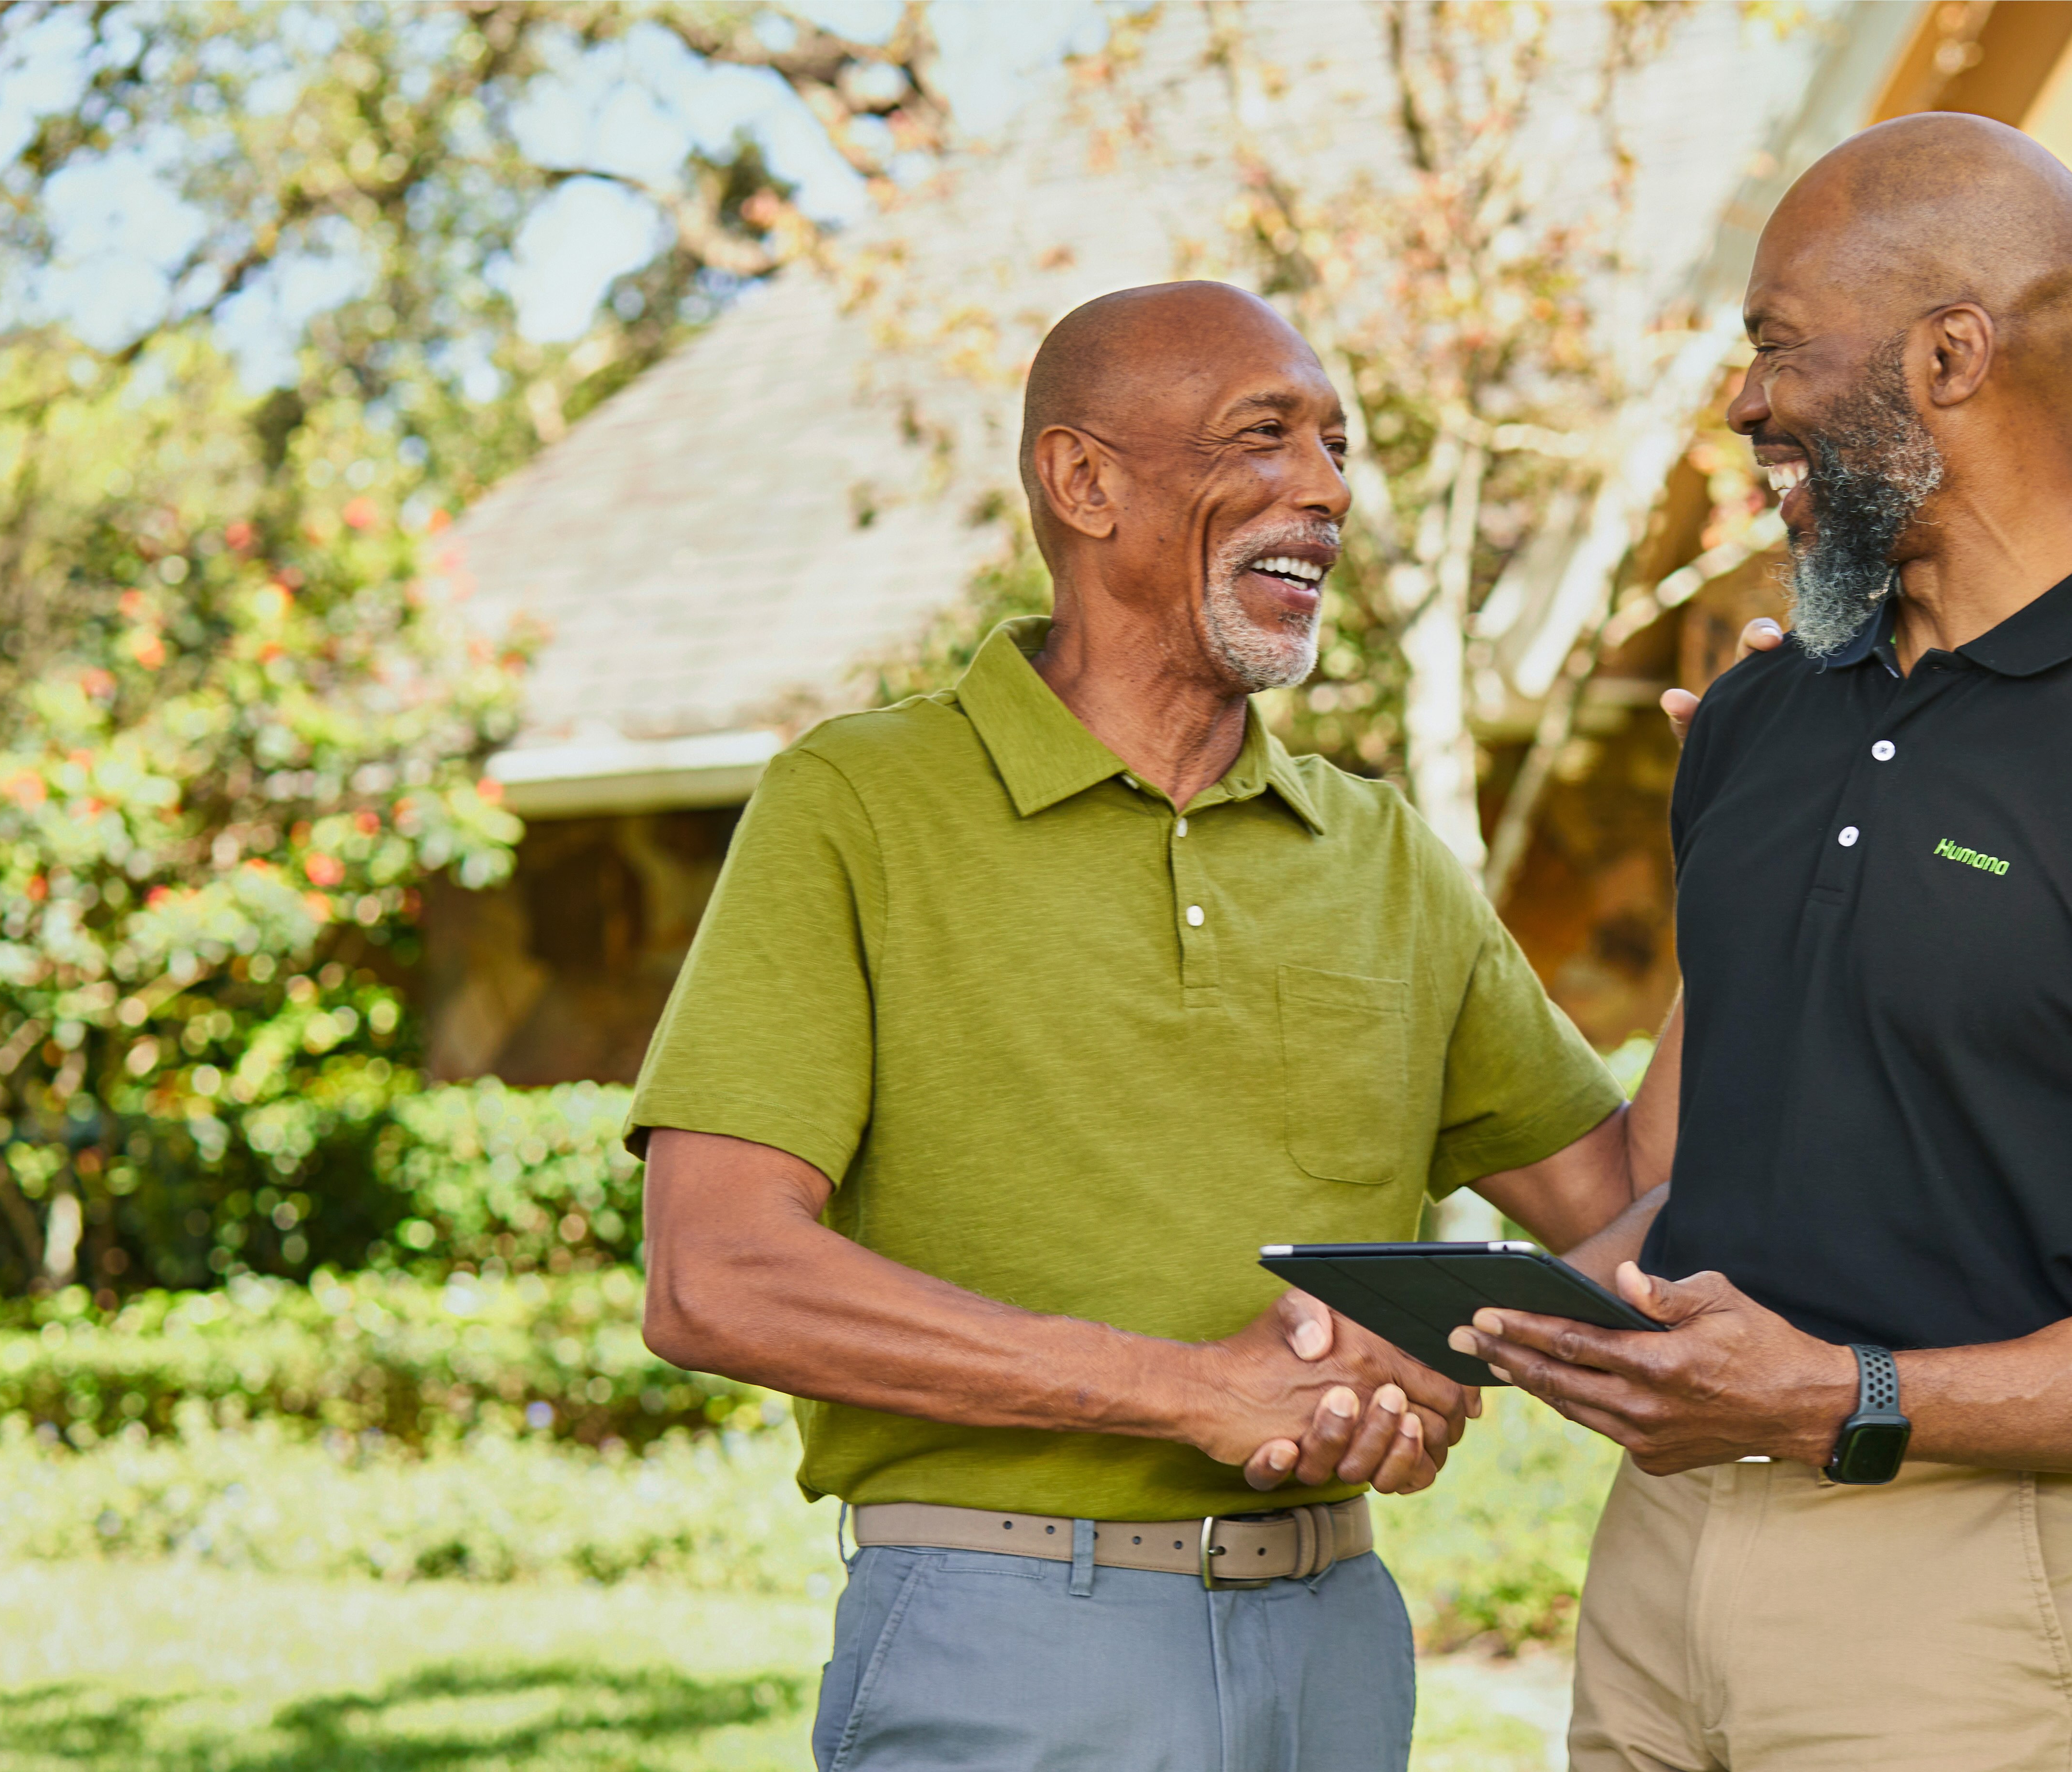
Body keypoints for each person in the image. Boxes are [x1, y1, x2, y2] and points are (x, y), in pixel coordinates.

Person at [1451, 114, 2072, 1771]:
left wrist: (1847, 1396)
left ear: (1950, 356)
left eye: (1777, 347)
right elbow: (1682, 1186)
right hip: (1658, 1565)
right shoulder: (1751, 721)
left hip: (1979, 1594)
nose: (1745, 405)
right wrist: (1462, 1333)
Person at [629, 281, 1654, 1772]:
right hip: (1008, 1633)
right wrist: (1194, 1390)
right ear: (1085, 480)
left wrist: (1757, 858)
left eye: (1339, 446)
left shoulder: (1381, 856)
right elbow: (715, 1278)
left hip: (1339, 1644)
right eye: (1264, 436)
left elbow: (1628, 1225)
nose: (1324, 487)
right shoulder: (857, 806)